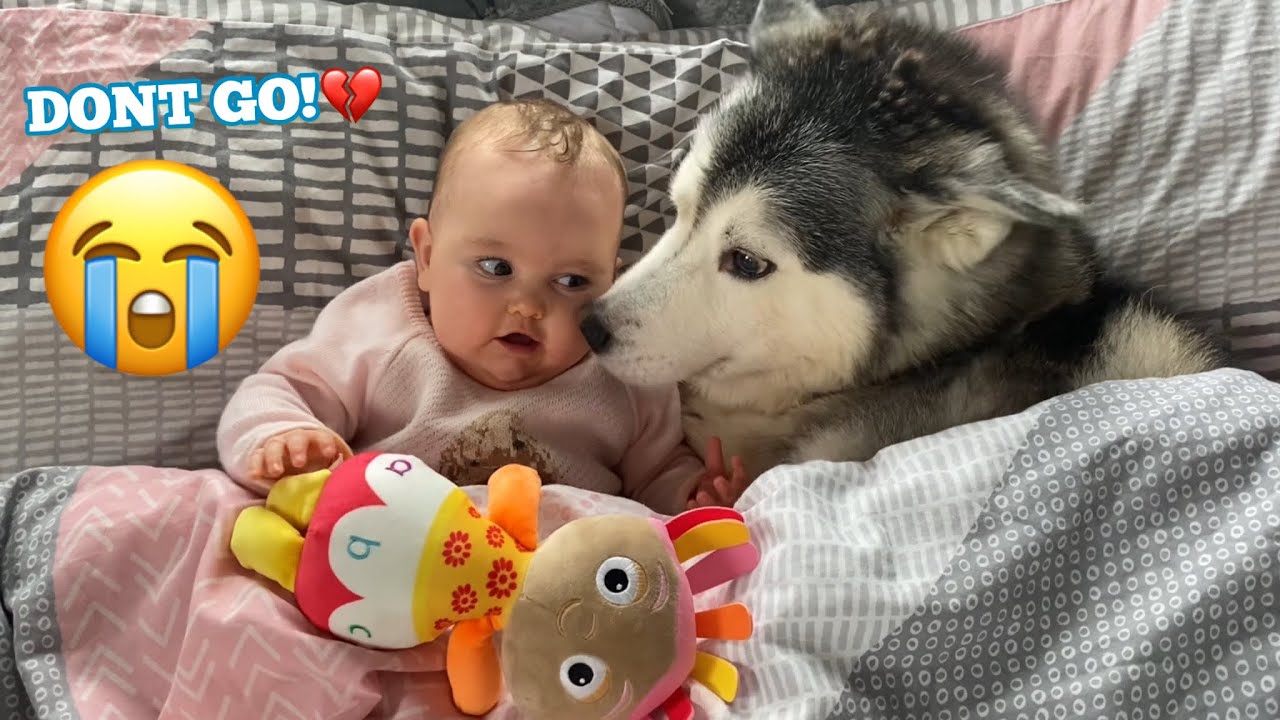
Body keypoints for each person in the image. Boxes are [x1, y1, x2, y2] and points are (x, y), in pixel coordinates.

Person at [217, 98, 746, 515]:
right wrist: (283, 438)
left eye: (571, 281)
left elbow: (656, 474)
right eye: (495, 268)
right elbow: (279, 390)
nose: (528, 307)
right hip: (387, 560)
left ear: (612, 282)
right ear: (427, 257)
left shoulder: (621, 371)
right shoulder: (384, 325)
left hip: (552, 586)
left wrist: (691, 494)